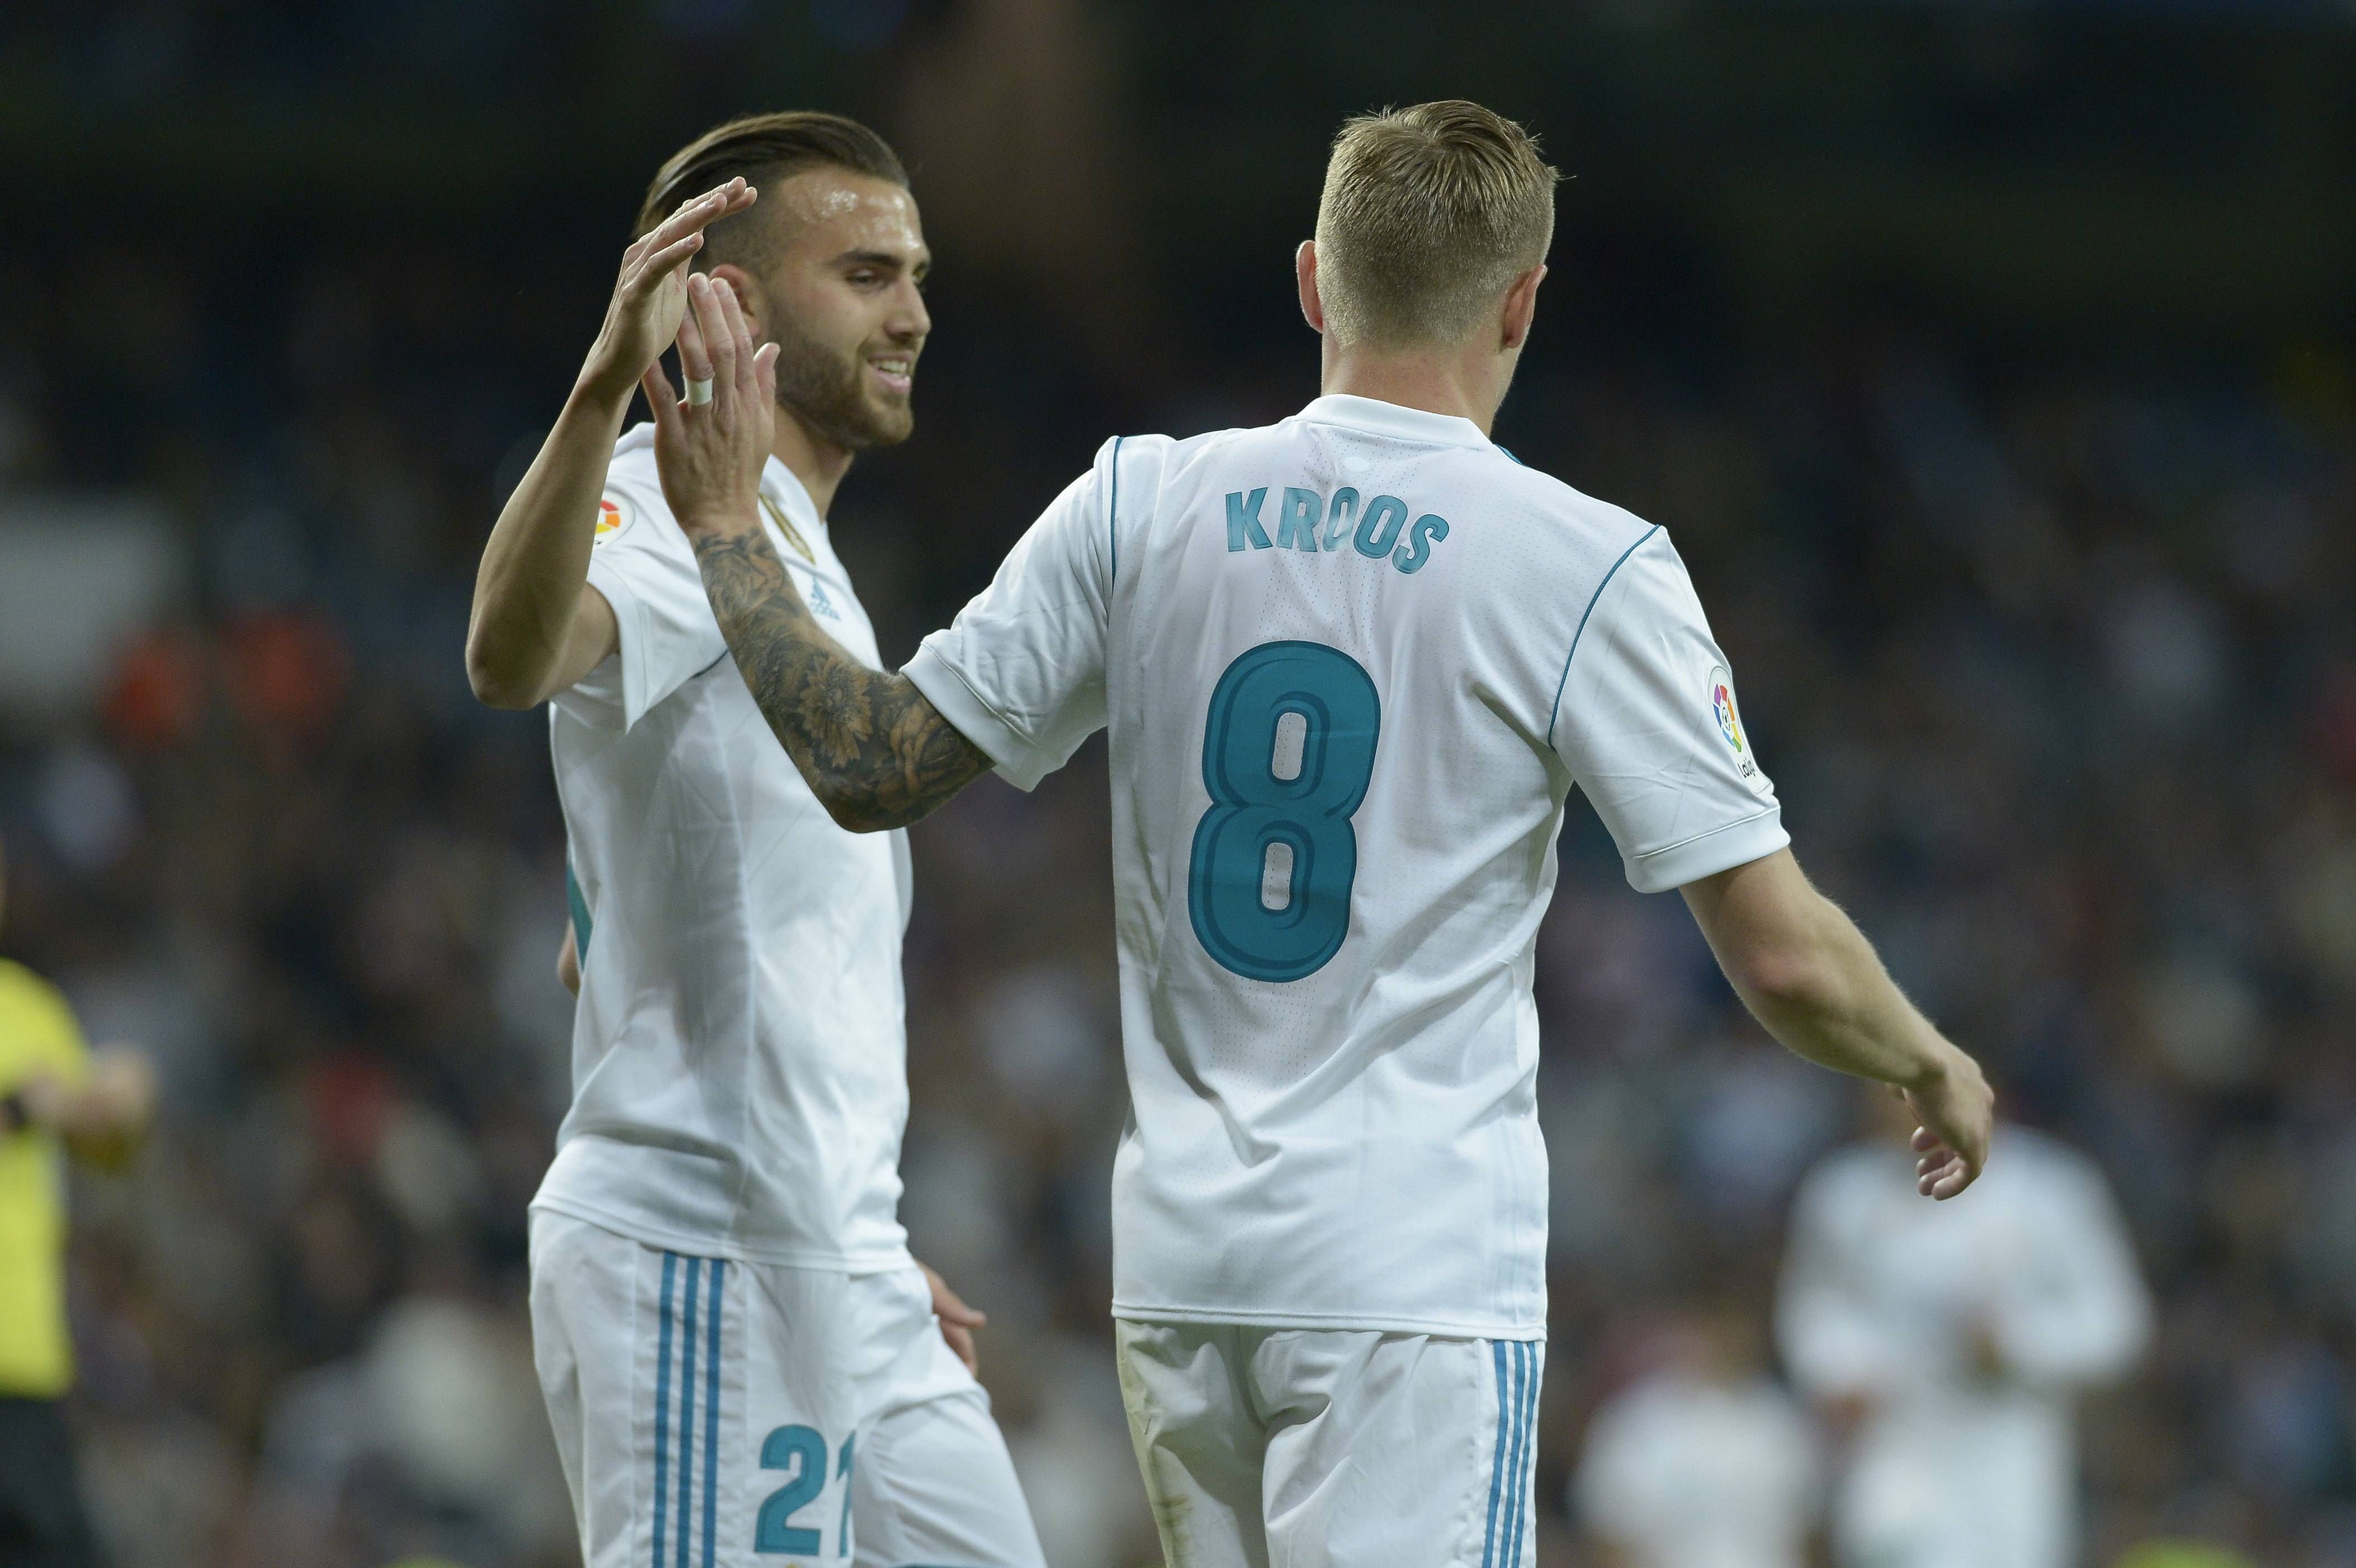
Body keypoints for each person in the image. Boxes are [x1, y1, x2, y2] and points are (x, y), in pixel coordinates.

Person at [650, 99, 1995, 1568]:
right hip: (1405, 1274)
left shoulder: (1135, 502)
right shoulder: (1583, 562)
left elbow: (868, 759)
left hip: (1179, 1272)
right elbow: (1784, 961)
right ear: (1521, 303)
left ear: (1310, 280)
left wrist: (725, 520)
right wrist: (1922, 1055)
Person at [465, 113, 1042, 1568]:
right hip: (699, 1255)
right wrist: (604, 383)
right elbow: (511, 658)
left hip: (831, 1246)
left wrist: (840, 1213)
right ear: (721, 296)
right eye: (862, 271)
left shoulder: (787, 548)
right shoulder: (671, 504)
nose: (911, 308)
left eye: (913, 271)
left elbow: (676, 909)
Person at [1778, 1088, 2150, 1568]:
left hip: (2008, 1444)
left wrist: (2017, 1343)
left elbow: (2118, 1323)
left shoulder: (2049, 1189)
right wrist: (1842, 1370)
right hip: (1893, 1440)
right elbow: (1816, 1307)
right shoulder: (1845, 1191)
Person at [0, 833, 157, 1568]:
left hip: (27, 1365)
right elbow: (31, 1110)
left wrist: (127, 1094)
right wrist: (21, 1111)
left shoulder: (30, 1009)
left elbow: (111, 1135)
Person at [1572, 1301, 1822, 1568]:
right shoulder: (1637, 1422)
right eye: (1713, 1325)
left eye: (1735, 1326)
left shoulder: (1783, 1423)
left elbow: (1809, 1537)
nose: (1725, 1340)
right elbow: (1611, 1538)